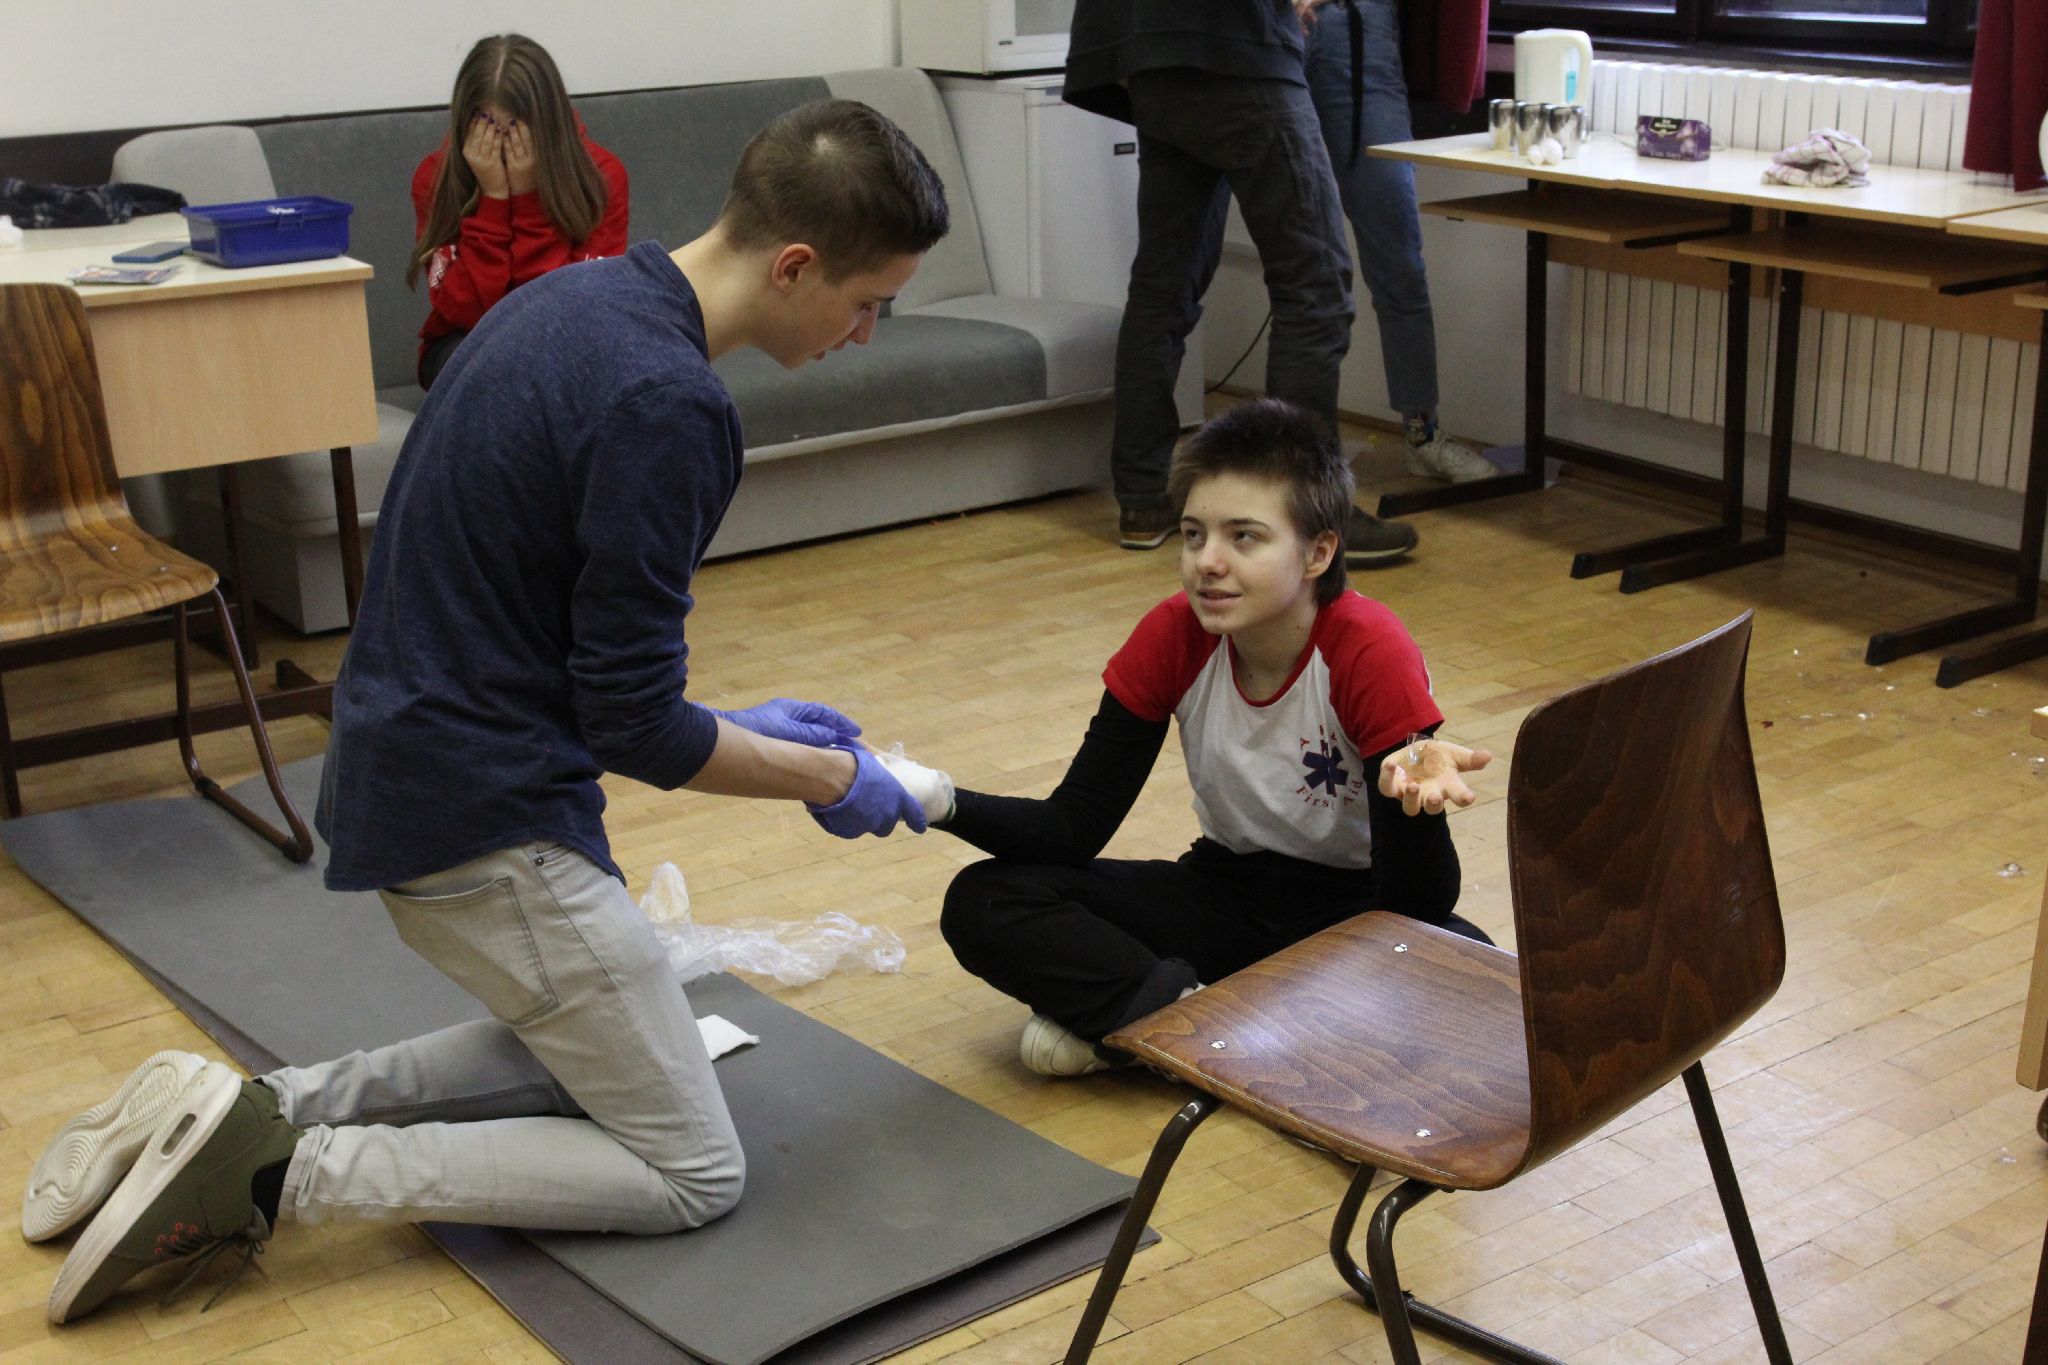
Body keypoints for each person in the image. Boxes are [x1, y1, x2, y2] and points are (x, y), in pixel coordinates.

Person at [32, 98, 949, 1325]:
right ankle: (274, 1172)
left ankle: (258, 1109)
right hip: (482, 827)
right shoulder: (670, 405)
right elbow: (633, 727)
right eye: (866, 301)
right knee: (691, 1169)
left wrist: (741, 724)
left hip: (407, 770)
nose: (864, 332)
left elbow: (559, 646)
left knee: (612, 1043)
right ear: (793, 265)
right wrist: (830, 778)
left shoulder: (572, 298)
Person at [934, 398, 1491, 1076]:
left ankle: (1155, 1021)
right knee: (987, 899)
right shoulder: (1172, 633)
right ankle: (1202, 1027)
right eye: (1194, 535)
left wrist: (1415, 809)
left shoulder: (1369, 649)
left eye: (1243, 537)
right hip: (1225, 892)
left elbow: (1416, 907)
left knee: (1472, 977)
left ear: (1318, 552)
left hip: (1351, 913)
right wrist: (932, 798)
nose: (1207, 561)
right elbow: (1071, 828)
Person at [1063, 0, 1420, 564]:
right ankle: (1303, 512)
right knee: (1317, 290)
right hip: (1240, 49)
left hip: (1150, 52)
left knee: (1162, 290)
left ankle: (1143, 499)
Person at [1301, 0, 1494, 483]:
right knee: (1301, 267)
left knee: (1400, 262)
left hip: (1360, 30)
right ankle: (1298, 459)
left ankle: (1422, 436)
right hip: (1263, 30)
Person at [408, 34, 630, 390]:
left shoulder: (601, 177)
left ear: (549, 124)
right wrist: (493, 201)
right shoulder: (435, 178)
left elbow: (569, 307)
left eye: (517, 131)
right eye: (487, 129)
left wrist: (527, 200)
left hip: (567, 342)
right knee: (494, 372)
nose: (502, 146)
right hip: (465, 342)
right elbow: (460, 310)